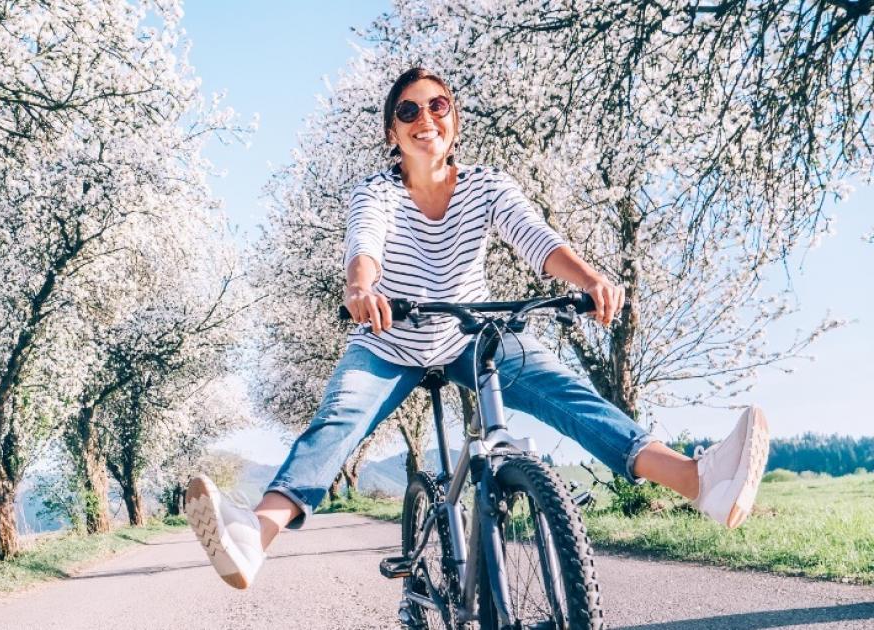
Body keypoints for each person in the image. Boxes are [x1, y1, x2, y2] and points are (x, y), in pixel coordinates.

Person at [186, 68, 770, 590]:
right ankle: (253, 537)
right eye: (408, 111)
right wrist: (361, 289)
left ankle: (698, 482)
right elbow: (364, 246)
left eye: (437, 106)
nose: (424, 119)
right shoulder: (378, 192)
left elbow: (537, 238)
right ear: (393, 133)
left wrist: (591, 279)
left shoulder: (488, 186)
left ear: (454, 121)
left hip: (471, 335)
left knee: (567, 393)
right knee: (337, 421)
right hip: (391, 341)